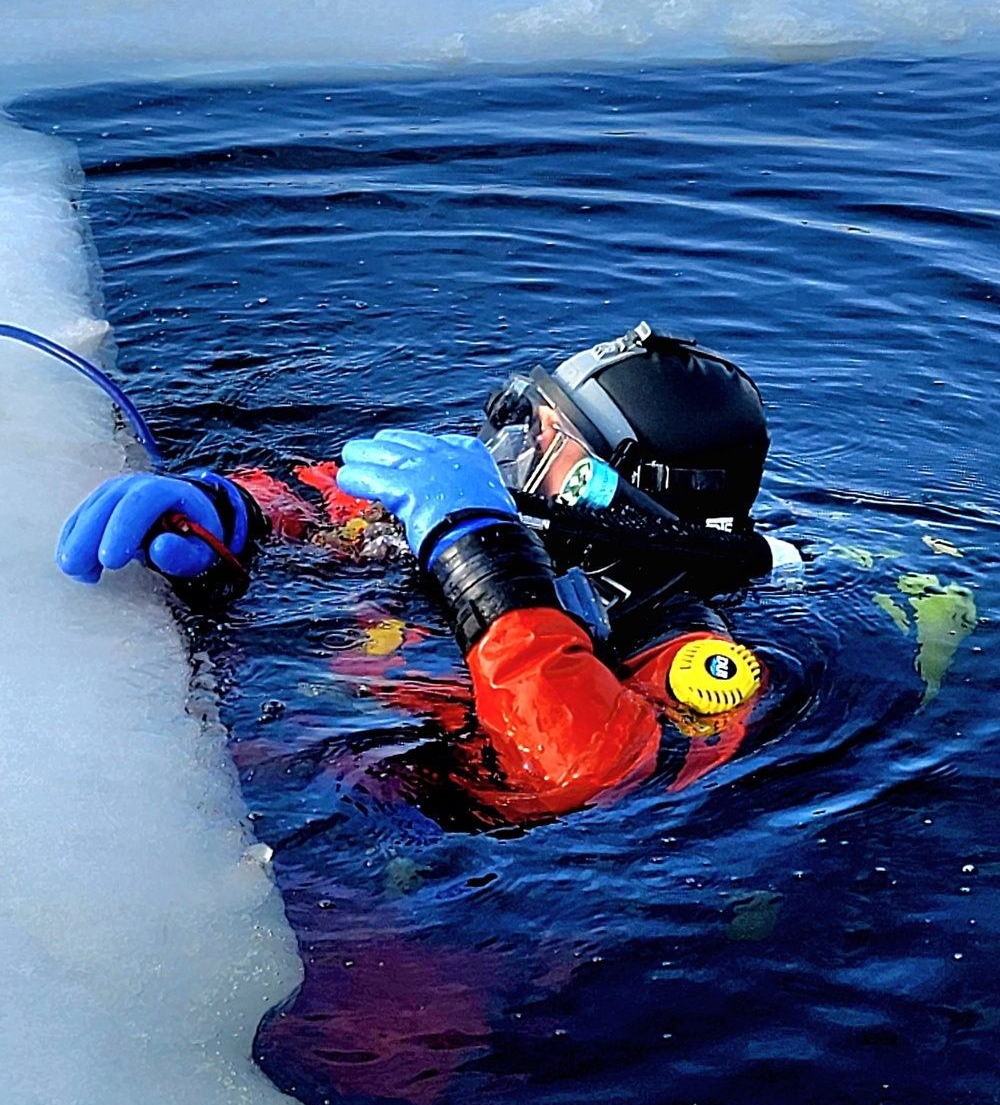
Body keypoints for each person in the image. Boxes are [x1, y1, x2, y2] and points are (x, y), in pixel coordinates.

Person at [56, 323, 799, 822]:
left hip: (422, 851)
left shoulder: (686, 655)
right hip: (291, 757)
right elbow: (329, 499)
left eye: (548, 442)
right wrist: (230, 512)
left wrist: (480, 552)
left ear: (618, 492)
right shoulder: (476, 503)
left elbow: (585, 775)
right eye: (524, 419)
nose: (511, 453)